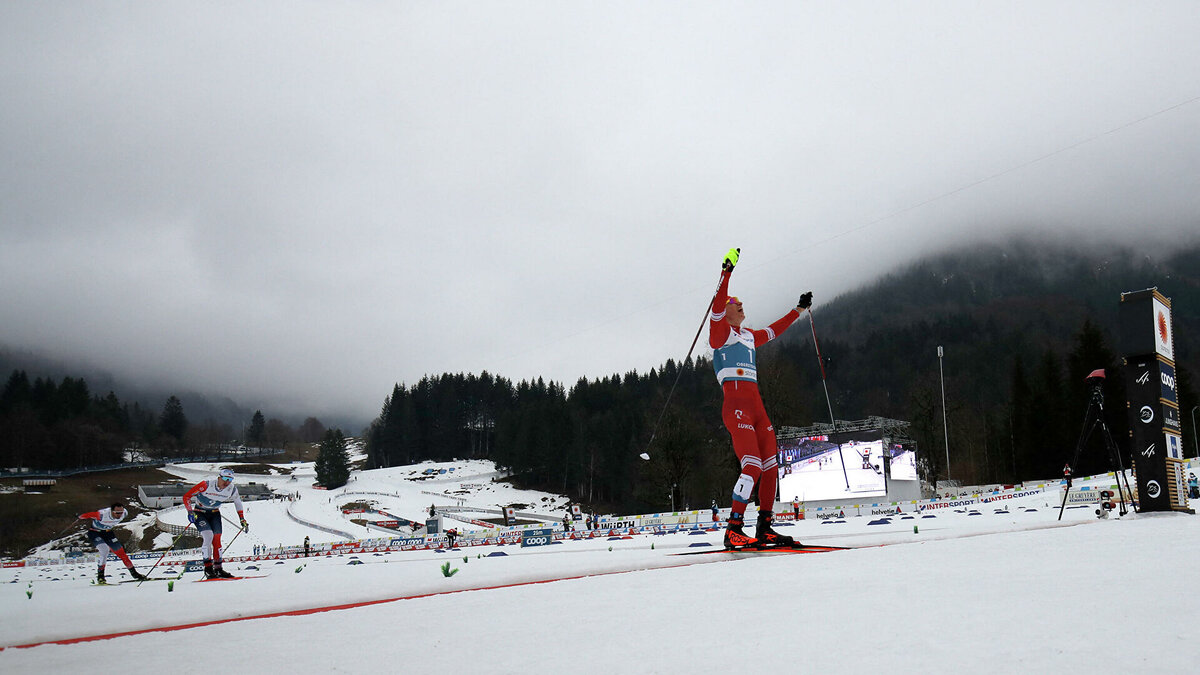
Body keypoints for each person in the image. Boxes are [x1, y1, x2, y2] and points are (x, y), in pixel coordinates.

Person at [709, 248, 811, 549]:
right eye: (735, 304)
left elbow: (774, 331)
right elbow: (716, 308)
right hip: (736, 408)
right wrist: (726, 272)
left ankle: (765, 526)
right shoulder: (721, 336)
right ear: (726, 312)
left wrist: (798, 310)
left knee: (769, 467)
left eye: (740, 303)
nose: (740, 305)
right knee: (751, 466)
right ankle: (733, 529)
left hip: (757, 408)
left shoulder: (749, 336)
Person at [183, 468, 249, 579]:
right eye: (225, 479)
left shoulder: (232, 489)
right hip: (199, 512)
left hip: (214, 513)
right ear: (219, 477)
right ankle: (208, 569)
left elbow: (238, 502)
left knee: (217, 539)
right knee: (208, 536)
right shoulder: (206, 485)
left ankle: (218, 569)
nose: (227, 482)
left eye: (230, 479)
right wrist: (190, 511)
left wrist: (242, 519)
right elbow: (187, 496)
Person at [78, 503, 146, 583]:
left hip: (108, 533)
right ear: (111, 511)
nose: (120, 515)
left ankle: (135, 574)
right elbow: (88, 515)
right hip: (95, 533)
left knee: (122, 554)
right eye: (117, 513)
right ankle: (100, 577)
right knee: (104, 550)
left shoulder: (125, 513)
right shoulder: (102, 514)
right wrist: (79, 517)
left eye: (121, 512)